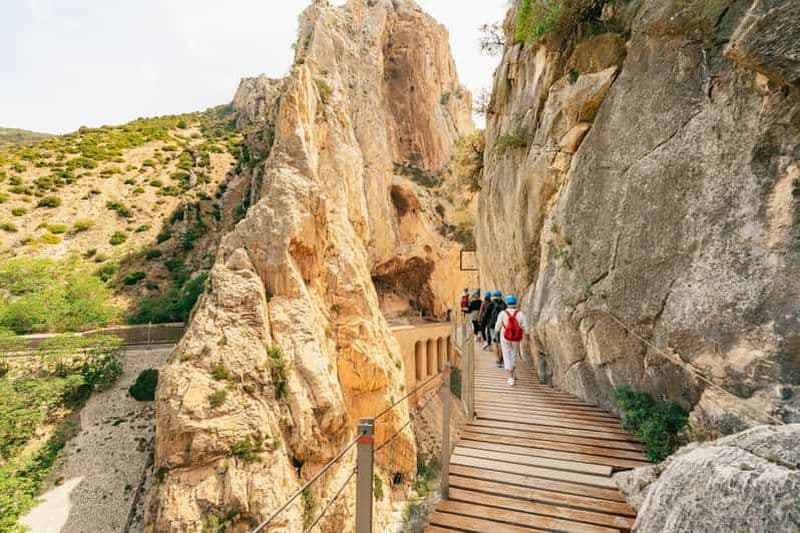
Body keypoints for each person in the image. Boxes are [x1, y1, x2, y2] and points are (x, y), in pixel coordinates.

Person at [493, 294, 527, 386]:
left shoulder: (503, 313)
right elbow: (525, 327)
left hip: (505, 336)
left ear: (507, 303)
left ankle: (510, 377)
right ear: (515, 302)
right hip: (516, 337)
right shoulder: (520, 314)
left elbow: (497, 326)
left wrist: (495, 334)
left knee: (506, 354)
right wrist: (526, 339)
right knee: (514, 354)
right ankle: (513, 374)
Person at [487, 290, 505, 367]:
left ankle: (497, 359)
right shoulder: (504, 305)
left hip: (492, 325)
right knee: (501, 342)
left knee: (494, 342)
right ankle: (501, 358)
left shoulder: (491, 304)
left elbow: (486, 315)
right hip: (501, 325)